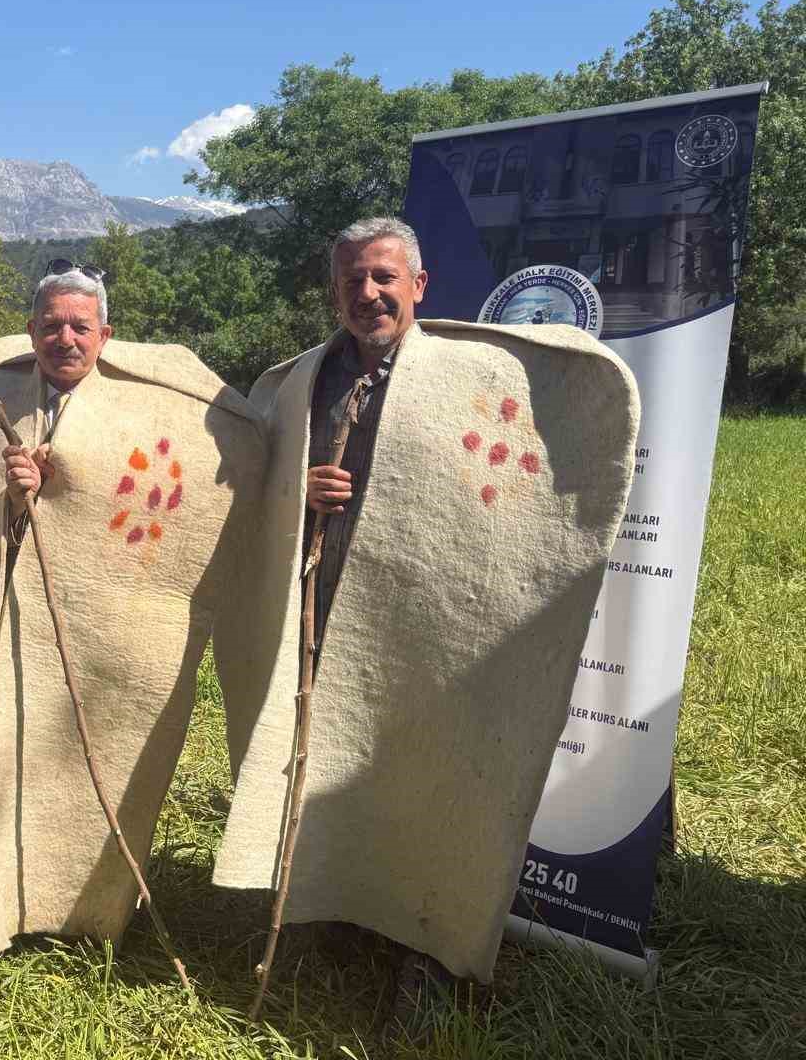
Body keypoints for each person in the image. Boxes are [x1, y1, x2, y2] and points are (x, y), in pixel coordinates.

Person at [211, 218, 640, 1025]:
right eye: (351, 280)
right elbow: (251, 484)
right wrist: (299, 494)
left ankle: (426, 948)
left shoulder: (465, 378)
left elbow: (513, 502)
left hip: (427, 621)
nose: (367, 294)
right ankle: (328, 909)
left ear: (418, 285)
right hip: (324, 603)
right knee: (324, 760)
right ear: (333, 289)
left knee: (425, 771)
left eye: (382, 278)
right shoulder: (299, 383)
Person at [0, 260, 266, 966]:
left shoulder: (151, 413)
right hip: (1, 629)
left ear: (106, 334)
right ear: (31, 332)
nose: (66, 339)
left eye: (81, 326)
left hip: (103, 638)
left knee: (89, 761)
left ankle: (89, 907)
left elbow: (193, 503)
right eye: (51, 326)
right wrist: (12, 497)